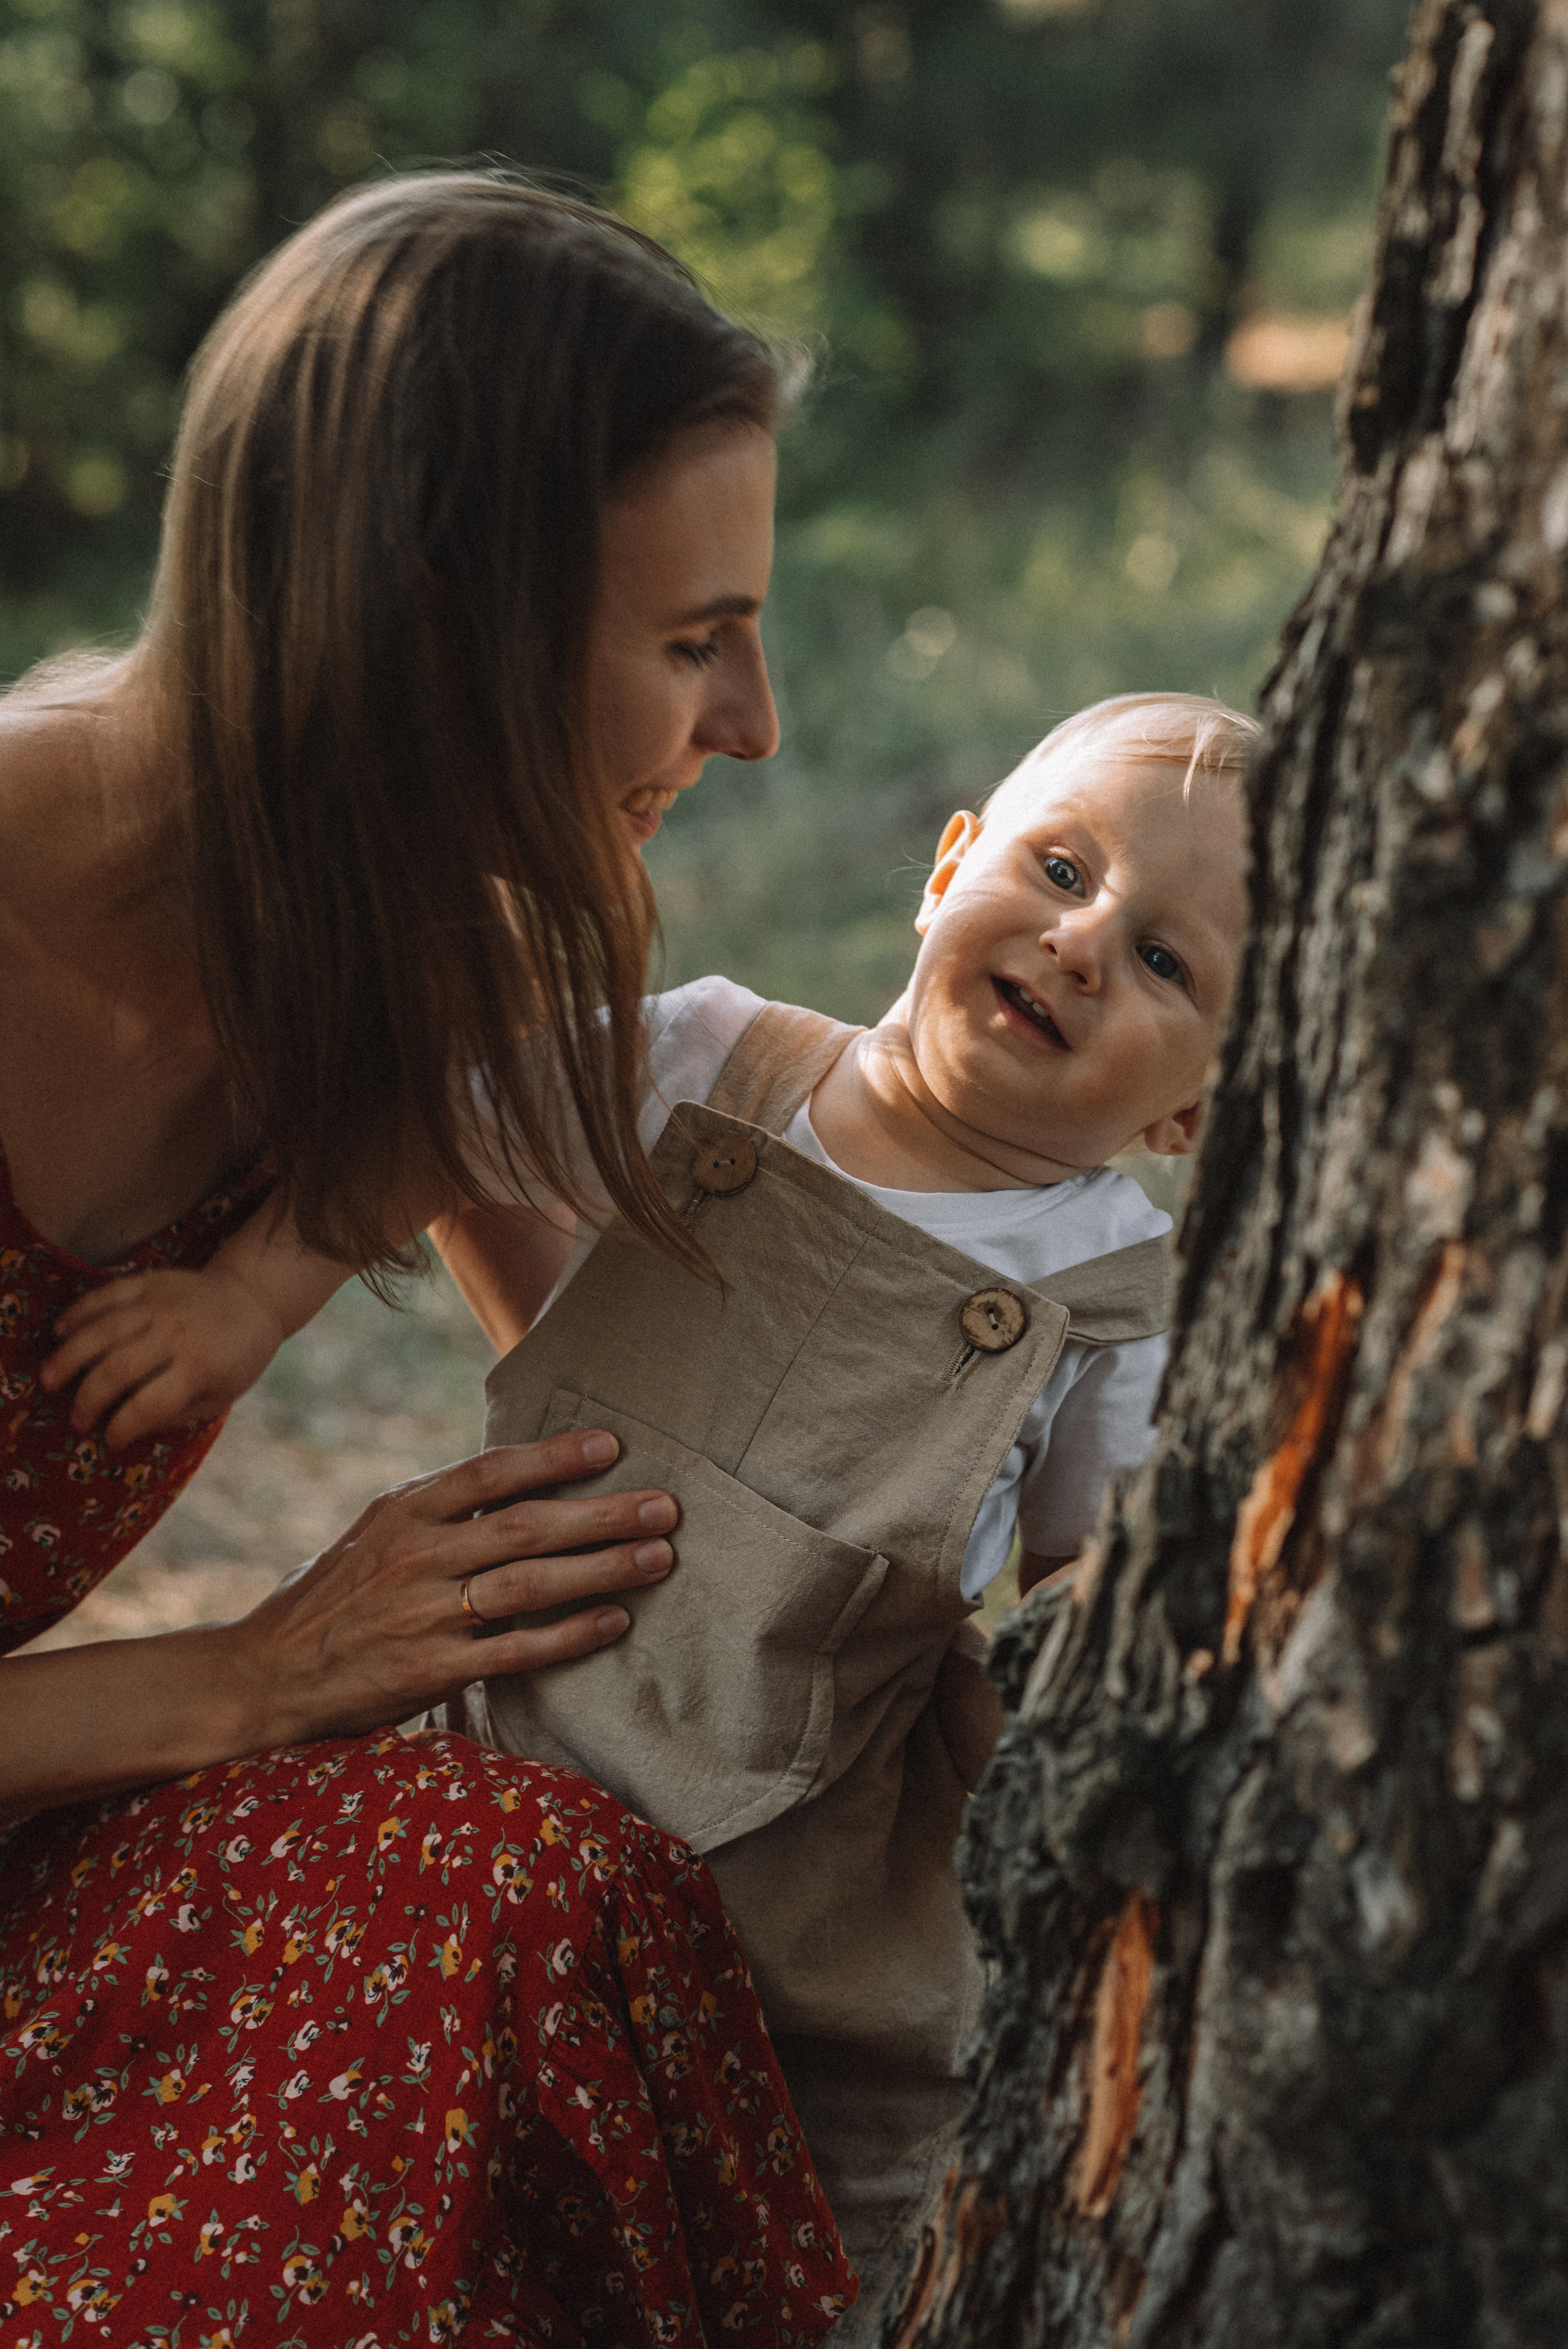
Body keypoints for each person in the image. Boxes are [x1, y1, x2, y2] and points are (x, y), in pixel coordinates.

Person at [0, 174, 857, 2345]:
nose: (755, 723)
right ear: (434, 616)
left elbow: (614, 1435)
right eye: (692, 640)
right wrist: (254, 1674)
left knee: (528, 1897)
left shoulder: (395, 954)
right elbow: (278, 1671)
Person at [439, 690, 1256, 2328]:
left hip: (788, 1889)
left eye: (1167, 962)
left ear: (1188, 1114)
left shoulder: (1112, 1298)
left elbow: (1089, 1595)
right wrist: (253, 1304)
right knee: (441, 2168)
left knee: (780, 2229)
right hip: (496, 1729)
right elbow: (434, 1127)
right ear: (949, 871)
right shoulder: (714, 1059)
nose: (1087, 942)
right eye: (1059, 864)